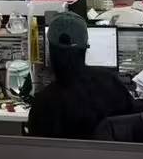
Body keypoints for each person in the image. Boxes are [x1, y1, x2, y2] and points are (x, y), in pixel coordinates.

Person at [27, 12, 135, 140]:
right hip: (109, 153)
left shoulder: (43, 103)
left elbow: (36, 147)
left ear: (50, 50)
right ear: (85, 47)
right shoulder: (111, 84)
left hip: (61, 154)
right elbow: (132, 124)